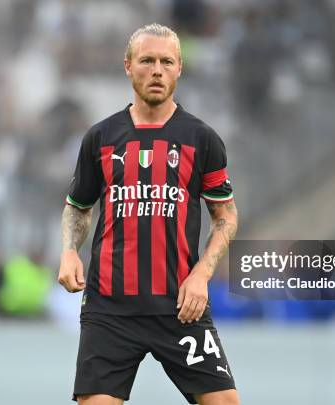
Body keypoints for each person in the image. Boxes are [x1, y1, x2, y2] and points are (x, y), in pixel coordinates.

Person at [58, 23, 239, 405]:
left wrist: (201, 277)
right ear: (128, 66)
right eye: (147, 61)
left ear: (179, 69)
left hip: (179, 307)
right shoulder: (101, 137)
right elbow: (78, 206)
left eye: (166, 61)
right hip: (110, 310)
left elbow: (225, 217)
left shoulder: (201, 139)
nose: (156, 70)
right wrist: (70, 251)